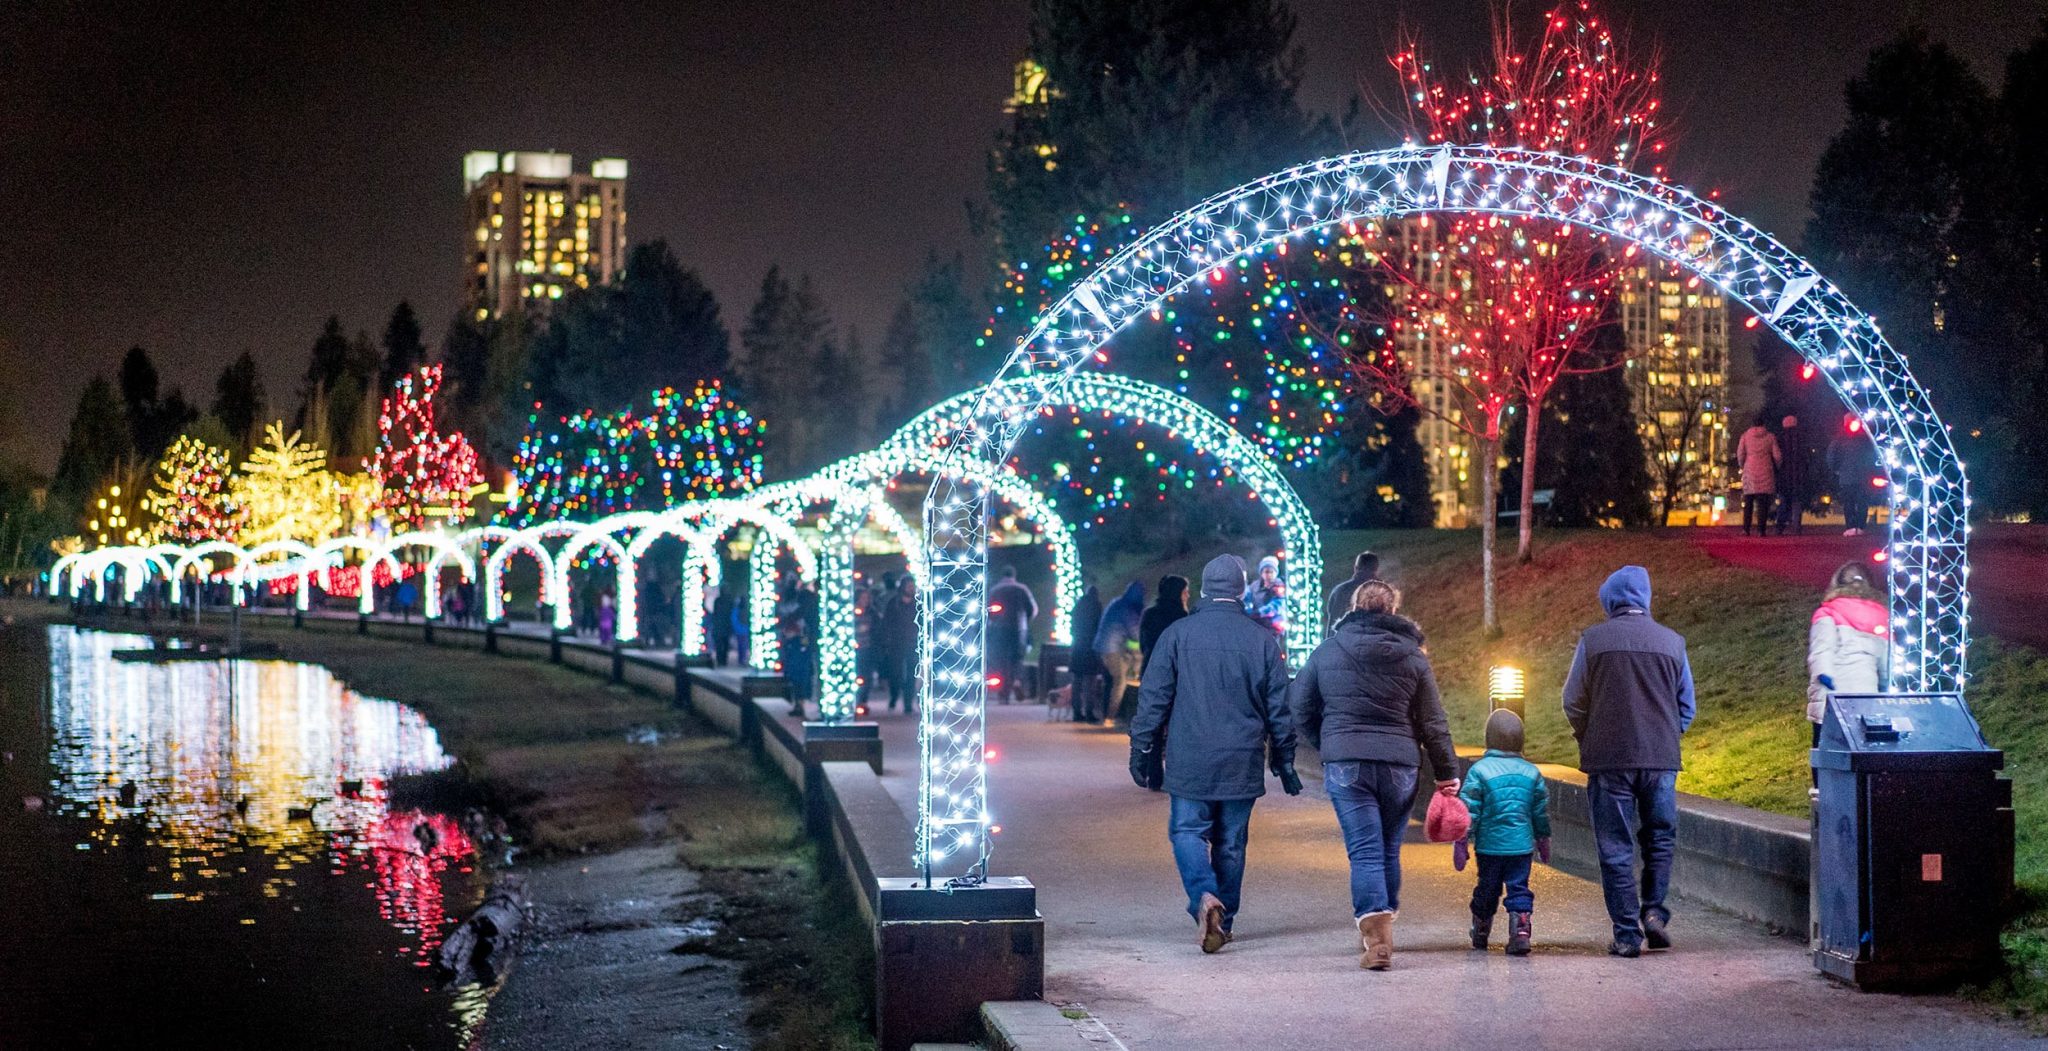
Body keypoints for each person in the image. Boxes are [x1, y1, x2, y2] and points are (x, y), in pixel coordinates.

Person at [1129, 554, 1297, 954]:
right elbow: (1278, 707)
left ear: (1203, 590)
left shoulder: (1177, 635)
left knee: (1188, 831)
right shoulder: (1262, 640)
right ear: (1241, 590)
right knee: (1231, 842)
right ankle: (1228, 918)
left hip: (1191, 755)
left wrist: (1142, 745)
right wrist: (1284, 759)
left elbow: (1153, 697)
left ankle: (1205, 897)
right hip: (1242, 758)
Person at [1290, 579, 1456, 971]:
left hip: (1347, 762)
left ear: (1354, 607)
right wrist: (1447, 772)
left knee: (1364, 851)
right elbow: (1433, 721)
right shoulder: (1414, 656)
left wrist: (1328, 742)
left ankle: (1376, 935)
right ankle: (1384, 919)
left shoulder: (1328, 650)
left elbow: (1299, 706)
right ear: (1393, 611)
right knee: (1386, 848)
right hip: (1400, 764)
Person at [1562, 565, 1695, 958]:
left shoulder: (1593, 641)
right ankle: (1653, 911)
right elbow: (1686, 705)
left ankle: (1626, 934)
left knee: (1615, 847)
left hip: (1609, 760)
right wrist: (1667, 734)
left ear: (1610, 599)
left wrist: (1590, 735)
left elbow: (1572, 701)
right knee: (1659, 838)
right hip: (1661, 760)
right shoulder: (1673, 643)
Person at [1455, 709, 1551, 956]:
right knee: (1519, 887)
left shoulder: (1479, 771)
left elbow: (1469, 810)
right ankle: (1520, 930)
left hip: (1490, 847)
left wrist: (1462, 840)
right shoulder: (1532, 773)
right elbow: (1539, 811)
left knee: (1487, 888)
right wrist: (1543, 837)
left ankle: (1481, 928)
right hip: (1521, 848)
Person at [1807, 561, 1889, 744]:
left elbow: (1822, 649)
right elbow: (1886, 658)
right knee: (1861, 745)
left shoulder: (1828, 612)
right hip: (1867, 690)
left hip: (1832, 692)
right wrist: (1885, 683)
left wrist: (1824, 675)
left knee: (1825, 749)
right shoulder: (1881, 615)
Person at [1093, 580, 1146, 727]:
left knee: (1110, 681)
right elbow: (1135, 633)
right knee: (1120, 682)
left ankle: (1107, 713)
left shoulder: (1117, 603)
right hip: (1112, 649)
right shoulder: (1127, 609)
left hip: (1103, 646)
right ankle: (1110, 717)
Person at [986, 566, 1039, 702]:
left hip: (999, 630)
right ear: (1014, 575)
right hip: (1018, 629)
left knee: (1001, 660)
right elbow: (1033, 610)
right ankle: (1016, 682)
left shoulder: (995, 590)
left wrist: (992, 623)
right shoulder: (1022, 589)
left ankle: (1003, 692)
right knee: (1017, 659)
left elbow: (988, 611)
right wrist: (1025, 621)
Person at [1827, 413, 1879, 536]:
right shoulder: (1866, 438)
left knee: (1849, 502)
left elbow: (1831, 455)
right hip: (1863, 476)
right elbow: (1873, 455)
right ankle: (1860, 526)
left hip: (1846, 476)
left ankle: (1851, 527)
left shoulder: (1839, 438)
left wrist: (1835, 469)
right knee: (1862, 502)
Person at [1736, 412, 1781, 537]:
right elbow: (1777, 455)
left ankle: (1746, 528)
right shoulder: (1770, 437)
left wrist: (1742, 465)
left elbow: (1740, 453)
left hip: (1750, 469)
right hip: (1765, 469)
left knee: (1748, 502)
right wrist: (1777, 466)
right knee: (1763, 503)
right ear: (1764, 423)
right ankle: (1761, 530)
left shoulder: (1745, 436)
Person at [878, 577, 919, 713]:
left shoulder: (918, 604)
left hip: (913, 643)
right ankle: (894, 695)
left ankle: (908, 703)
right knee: (896, 674)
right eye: (908, 586)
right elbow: (886, 623)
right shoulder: (894, 603)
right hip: (896, 644)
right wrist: (886, 641)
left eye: (912, 586)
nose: (911, 589)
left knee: (911, 674)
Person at [1138, 575, 1189, 676]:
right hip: (1171, 673)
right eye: (1185, 592)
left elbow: (1143, 645)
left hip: (1149, 669)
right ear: (1177, 594)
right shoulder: (1181, 618)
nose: (1188, 596)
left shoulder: (1149, 613)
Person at [1068, 585, 1105, 722]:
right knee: (1090, 682)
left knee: (1077, 682)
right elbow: (1100, 627)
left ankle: (1076, 712)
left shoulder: (1078, 606)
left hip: (1077, 647)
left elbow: (1072, 626)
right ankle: (1089, 712)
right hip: (1090, 648)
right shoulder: (1097, 606)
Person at [1325, 551, 1380, 634]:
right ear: (1376, 569)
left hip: (1345, 643)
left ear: (1355, 568)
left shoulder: (1340, 591)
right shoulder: (1385, 592)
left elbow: (1333, 625)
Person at [1774, 415, 1808, 536]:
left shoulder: (1780, 438)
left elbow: (1777, 457)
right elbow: (1806, 457)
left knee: (1784, 501)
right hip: (1798, 474)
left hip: (1784, 474)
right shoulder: (1801, 437)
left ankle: (1780, 526)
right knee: (1797, 501)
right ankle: (1796, 526)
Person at [1244, 555, 1286, 638]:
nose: (1269, 575)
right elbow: (1247, 598)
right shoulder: (1254, 586)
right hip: (1257, 625)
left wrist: (1259, 613)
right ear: (1262, 573)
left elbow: (1277, 606)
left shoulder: (1279, 587)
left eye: (1272, 572)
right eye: (1266, 572)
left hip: (1273, 628)